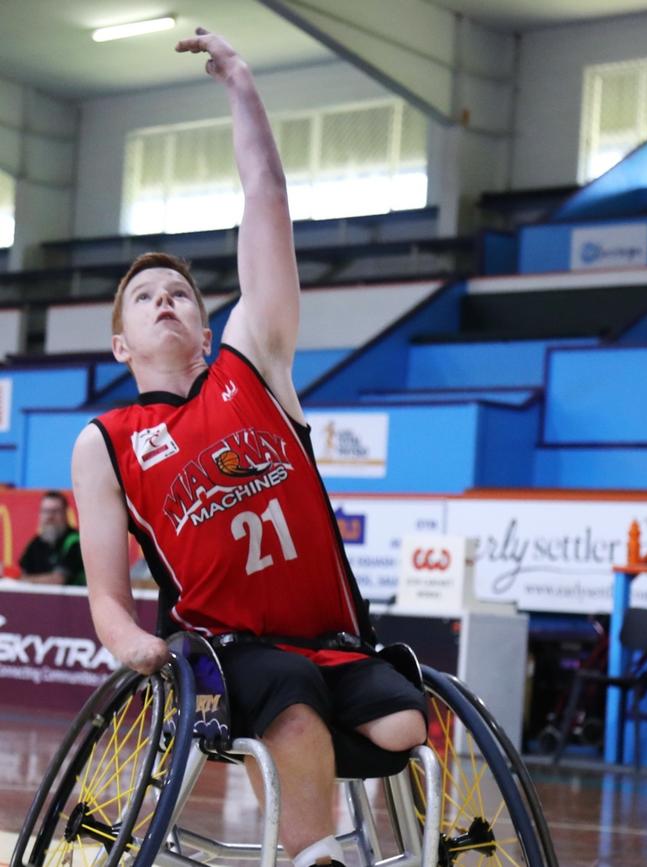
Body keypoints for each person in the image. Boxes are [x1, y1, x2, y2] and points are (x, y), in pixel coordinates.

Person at [71, 28, 426, 867]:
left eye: (181, 293)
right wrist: (127, 641)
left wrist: (242, 88)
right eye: (144, 297)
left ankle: (333, 837)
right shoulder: (108, 441)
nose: (165, 301)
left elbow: (266, 199)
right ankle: (313, 857)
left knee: (403, 719)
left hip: (330, 633)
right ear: (120, 344)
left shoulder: (252, 362)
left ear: (204, 323)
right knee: (292, 700)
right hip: (228, 652)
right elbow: (106, 597)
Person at [19, 489, 85, 586]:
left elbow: (58, 580)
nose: (49, 517)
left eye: (55, 511)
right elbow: (22, 572)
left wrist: (23, 580)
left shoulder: (74, 542)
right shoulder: (36, 542)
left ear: (65, 514)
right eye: (45, 511)